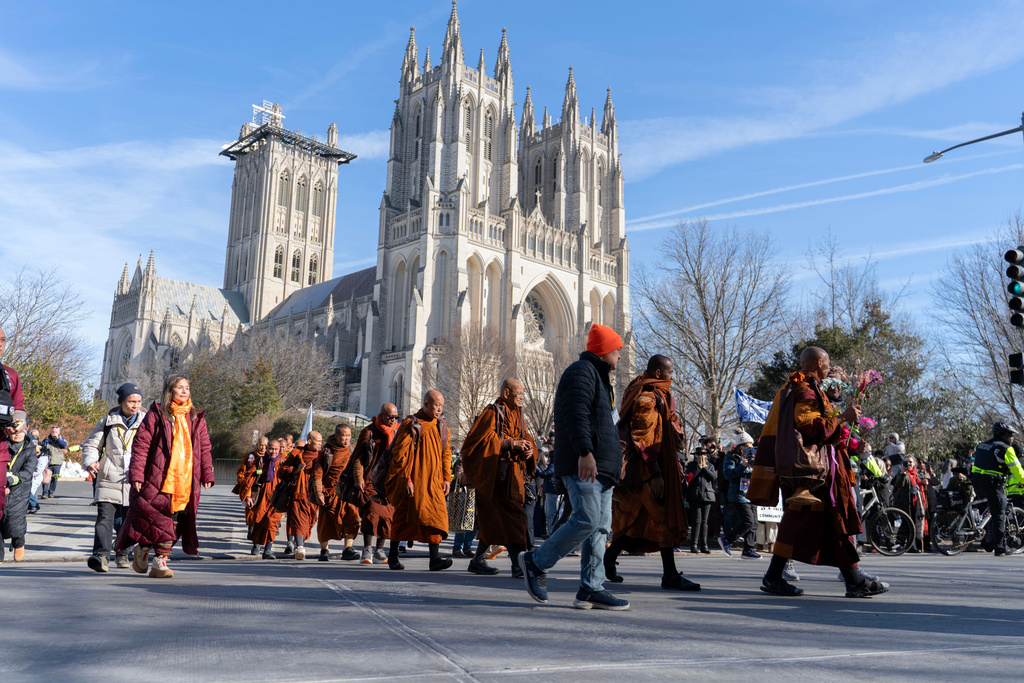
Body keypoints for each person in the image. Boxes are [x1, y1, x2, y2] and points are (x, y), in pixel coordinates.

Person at [754, 346, 888, 598]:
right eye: (826, 364)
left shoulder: (801, 386)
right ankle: (851, 580)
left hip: (817, 469)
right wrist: (843, 418)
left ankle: (850, 579)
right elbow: (811, 428)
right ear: (817, 362)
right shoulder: (805, 388)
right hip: (813, 471)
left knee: (825, 520)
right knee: (819, 518)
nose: (829, 369)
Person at [519, 323, 629, 610]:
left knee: (600, 529)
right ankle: (537, 561)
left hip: (601, 467)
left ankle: (591, 588)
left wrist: (614, 464)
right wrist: (584, 452)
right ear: (604, 350)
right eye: (617, 349)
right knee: (588, 519)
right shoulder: (581, 372)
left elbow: (603, 425)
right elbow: (575, 414)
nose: (620, 355)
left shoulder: (600, 377)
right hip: (584, 464)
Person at [604, 355, 699, 591]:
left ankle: (608, 557)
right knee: (662, 518)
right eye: (670, 372)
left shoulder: (648, 391)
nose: (673, 377)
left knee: (639, 521)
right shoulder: (647, 398)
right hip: (648, 472)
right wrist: (655, 474)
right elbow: (643, 440)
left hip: (650, 470)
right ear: (658, 374)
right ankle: (670, 575)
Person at [115, 375, 215, 578]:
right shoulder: (156, 415)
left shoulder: (196, 418)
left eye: (187, 387)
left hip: (187, 480)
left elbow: (204, 448)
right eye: (180, 387)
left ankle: (161, 560)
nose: (185, 391)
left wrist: (207, 473)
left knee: (177, 519)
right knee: (154, 517)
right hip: (158, 477)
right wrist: (137, 473)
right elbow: (141, 445)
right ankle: (143, 548)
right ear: (170, 391)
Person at [460, 378, 538, 576]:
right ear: (506, 393)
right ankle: (517, 565)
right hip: (494, 477)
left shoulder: (518, 414)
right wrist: (512, 444)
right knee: (514, 519)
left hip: (512, 477)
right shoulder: (492, 412)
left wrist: (529, 451)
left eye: (522, 393)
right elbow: (476, 443)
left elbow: (526, 438)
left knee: (494, 521)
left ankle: (477, 561)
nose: (521, 397)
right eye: (518, 393)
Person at [385, 390, 454, 571]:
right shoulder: (411, 423)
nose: (439, 409)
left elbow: (446, 453)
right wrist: (406, 479)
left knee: (436, 517)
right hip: (414, 481)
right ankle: (393, 556)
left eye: (441, 406)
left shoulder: (442, 426)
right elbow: (400, 455)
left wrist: (447, 477)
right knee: (402, 517)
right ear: (425, 404)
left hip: (435, 481)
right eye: (436, 405)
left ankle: (435, 559)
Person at [82, 382, 146, 572]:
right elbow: (92, 445)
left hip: (134, 479)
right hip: (108, 476)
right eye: (131, 401)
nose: (135, 405)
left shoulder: (147, 423)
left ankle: (123, 553)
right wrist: (91, 461)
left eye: (138, 401)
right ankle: (101, 556)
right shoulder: (107, 421)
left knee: (127, 521)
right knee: (104, 518)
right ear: (121, 402)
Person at [353, 403, 400, 564]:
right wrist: (359, 478)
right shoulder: (369, 432)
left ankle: (380, 550)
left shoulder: (398, 432)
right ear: (381, 415)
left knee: (388, 516)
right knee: (371, 512)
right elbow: (358, 457)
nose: (393, 420)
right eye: (390, 417)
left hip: (389, 481)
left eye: (396, 417)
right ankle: (367, 548)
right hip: (371, 479)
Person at [970, 422, 1024, 556]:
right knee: (999, 513)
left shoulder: (981, 445)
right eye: (1010, 435)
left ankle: (986, 537)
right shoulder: (1006, 449)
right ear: (1003, 435)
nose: (1012, 438)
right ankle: (1000, 547)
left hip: (977, 482)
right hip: (992, 483)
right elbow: (1018, 471)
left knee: (990, 508)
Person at [314, 424, 362, 561]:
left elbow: (358, 468)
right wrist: (319, 492)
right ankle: (324, 551)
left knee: (352, 519)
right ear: (336, 436)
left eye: (349, 436)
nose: (346, 439)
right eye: (343, 436)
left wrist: (359, 484)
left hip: (347, 492)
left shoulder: (353, 450)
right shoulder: (327, 451)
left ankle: (348, 549)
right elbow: (318, 473)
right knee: (326, 523)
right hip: (329, 492)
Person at [276, 431, 323, 560]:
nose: (320, 444)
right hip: (298, 493)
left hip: (313, 492)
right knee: (297, 519)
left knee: (310, 520)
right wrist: (297, 469)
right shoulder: (297, 454)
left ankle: (300, 543)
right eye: (317, 441)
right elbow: (283, 470)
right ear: (309, 441)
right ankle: (300, 547)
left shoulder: (323, 454)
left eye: (320, 441)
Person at [720, 433, 760, 559]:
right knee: (748, 521)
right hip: (738, 495)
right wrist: (742, 466)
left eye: (753, 445)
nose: (751, 447)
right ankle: (727, 539)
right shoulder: (732, 457)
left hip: (751, 493)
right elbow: (728, 474)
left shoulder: (754, 458)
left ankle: (748, 549)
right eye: (749, 445)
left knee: (754, 524)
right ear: (742, 446)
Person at [2, 423, 37, 562]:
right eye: (15, 431)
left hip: (20, 488)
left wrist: (10, 479)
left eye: (21, 431)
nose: (17, 434)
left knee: (15, 519)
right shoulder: (2, 445)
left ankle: (19, 543)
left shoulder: (30, 448)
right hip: (1, 485)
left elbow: (28, 471)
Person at [249, 439, 285, 559]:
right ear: (267, 449)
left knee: (273, 523)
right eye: (271, 449)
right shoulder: (260, 461)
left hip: (276, 499)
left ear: (279, 450)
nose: (273, 451)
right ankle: (256, 545)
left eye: (276, 449)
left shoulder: (282, 462)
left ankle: (268, 550)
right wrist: (248, 496)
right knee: (258, 521)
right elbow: (249, 478)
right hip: (262, 498)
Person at [233, 437, 267, 553]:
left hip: (265, 490)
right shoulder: (250, 457)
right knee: (253, 517)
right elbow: (242, 474)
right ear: (256, 445)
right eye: (261, 445)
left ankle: (261, 545)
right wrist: (247, 494)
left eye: (265, 446)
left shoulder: (270, 458)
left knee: (264, 519)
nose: (263, 448)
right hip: (252, 490)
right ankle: (255, 543)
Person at [684, 447, 716, 554]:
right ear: (696, 455)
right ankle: (694, 544)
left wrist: (705, 467)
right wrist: (698, 467)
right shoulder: (691, 465)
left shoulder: (710, 465)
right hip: (695, 495)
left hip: (707, 495)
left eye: (703, 454)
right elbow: (689, 478)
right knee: (696, 521)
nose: (701, 456)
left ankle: (704, 545)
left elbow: (713, 477)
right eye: (699, 454)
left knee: (704, 521)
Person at [38, 425, 67, 499]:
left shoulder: (61, 439)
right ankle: (45, 493)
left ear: (59, 432)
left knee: (55, 478)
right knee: (45, 477)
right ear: (50, 432)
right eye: (53, 432)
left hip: (57, 462)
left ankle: (51, 492)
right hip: (48, 461)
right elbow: (42, 448)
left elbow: (64, 445)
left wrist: (57, 439)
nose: (54, 433)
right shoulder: (46, 440)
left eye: (56, 432)